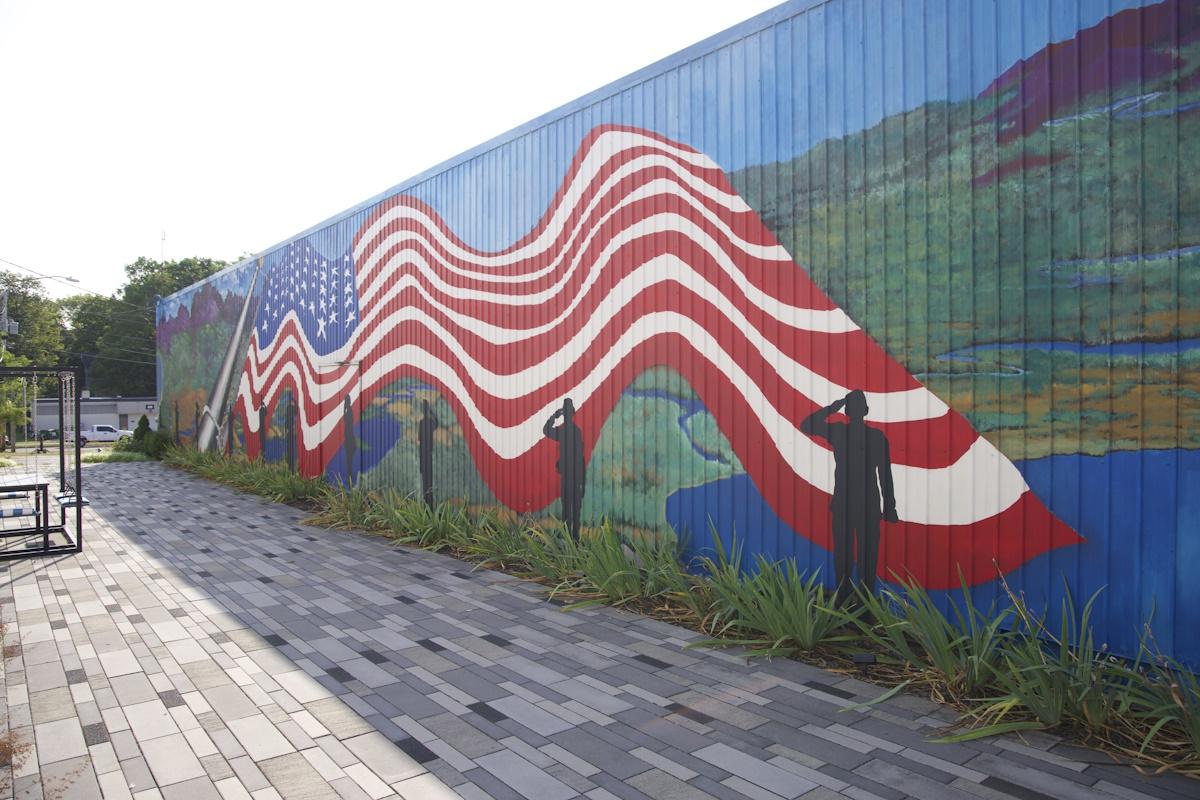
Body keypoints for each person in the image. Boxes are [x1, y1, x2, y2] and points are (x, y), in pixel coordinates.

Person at [800, 390, 897, 599]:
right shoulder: (876, 437)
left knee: (844, 556)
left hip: (845, 503)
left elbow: (807, 424)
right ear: (866, 410)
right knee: (867, 558)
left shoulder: (839, 432)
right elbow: (885, 477)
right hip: (867, 505)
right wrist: (889, 508)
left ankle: (843, 599)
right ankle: (864, 602)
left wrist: (834, 406)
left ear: (846, 412)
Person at [543, 398, 586, 539]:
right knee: (575, 513)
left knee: (567, 511)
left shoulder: (562, 432)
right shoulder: (576, 431)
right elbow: (581, 457)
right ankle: (574, 541)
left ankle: (569, 540)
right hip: (574, 477)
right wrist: (583, 482)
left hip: (568, 477)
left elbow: (546, 430)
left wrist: (555, 416)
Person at [418, 400, 439, 508]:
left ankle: (427, 502)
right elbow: (437, 422)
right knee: (428, 479)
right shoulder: (430, 422)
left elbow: (419, 440)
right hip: (428, 453)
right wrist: (431, 411)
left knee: (425, 479)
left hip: (423, 453)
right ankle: (429, 503)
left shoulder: (422, 422)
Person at [343, 396, 357, 484]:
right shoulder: (348, 410)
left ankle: (350, 475)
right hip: (348, 437)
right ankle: (349, 474)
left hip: (349, 437)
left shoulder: (349, 410)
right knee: (349, 458)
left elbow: (347, 422)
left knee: (349, 458)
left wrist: (344, 409)